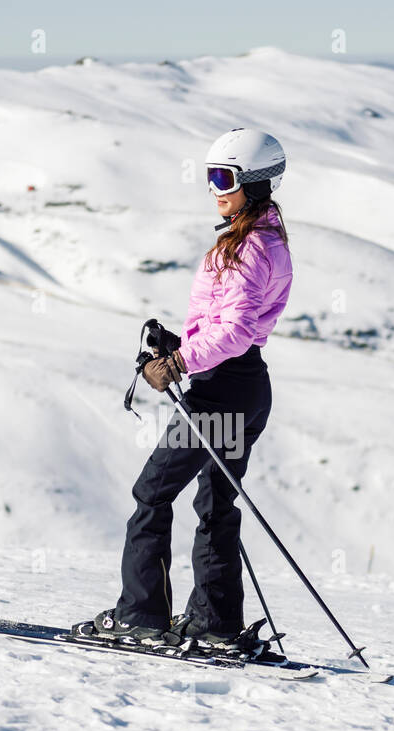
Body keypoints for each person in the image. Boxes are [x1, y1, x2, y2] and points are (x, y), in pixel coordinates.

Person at [79, 128, 293, 656]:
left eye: (224, 178)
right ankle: (214, 623)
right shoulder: (263, 239)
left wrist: (177, 361)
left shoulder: (247, 248)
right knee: (217, 506)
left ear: (257, 181)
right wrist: (182, 343)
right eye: (210, 178)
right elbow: (231, 329)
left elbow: (237, 330)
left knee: (152, 494)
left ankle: (139, 616)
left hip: (220, 393)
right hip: (246, 389)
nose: (215, 189)